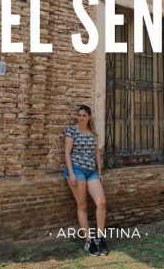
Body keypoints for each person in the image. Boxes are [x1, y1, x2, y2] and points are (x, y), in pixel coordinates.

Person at [64, 104, 108, 256]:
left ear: (89, 117)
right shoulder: (72, 131)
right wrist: (71, 173)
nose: (81, 118)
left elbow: (97, 154)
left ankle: (100, 239)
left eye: (84, 115)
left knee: (101, 202)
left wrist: (100, 172)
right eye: (79, 115)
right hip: (76, 170)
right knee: (82, 205)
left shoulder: (93, 133)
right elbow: (67, 153)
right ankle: (89, 242)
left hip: (92, 172)